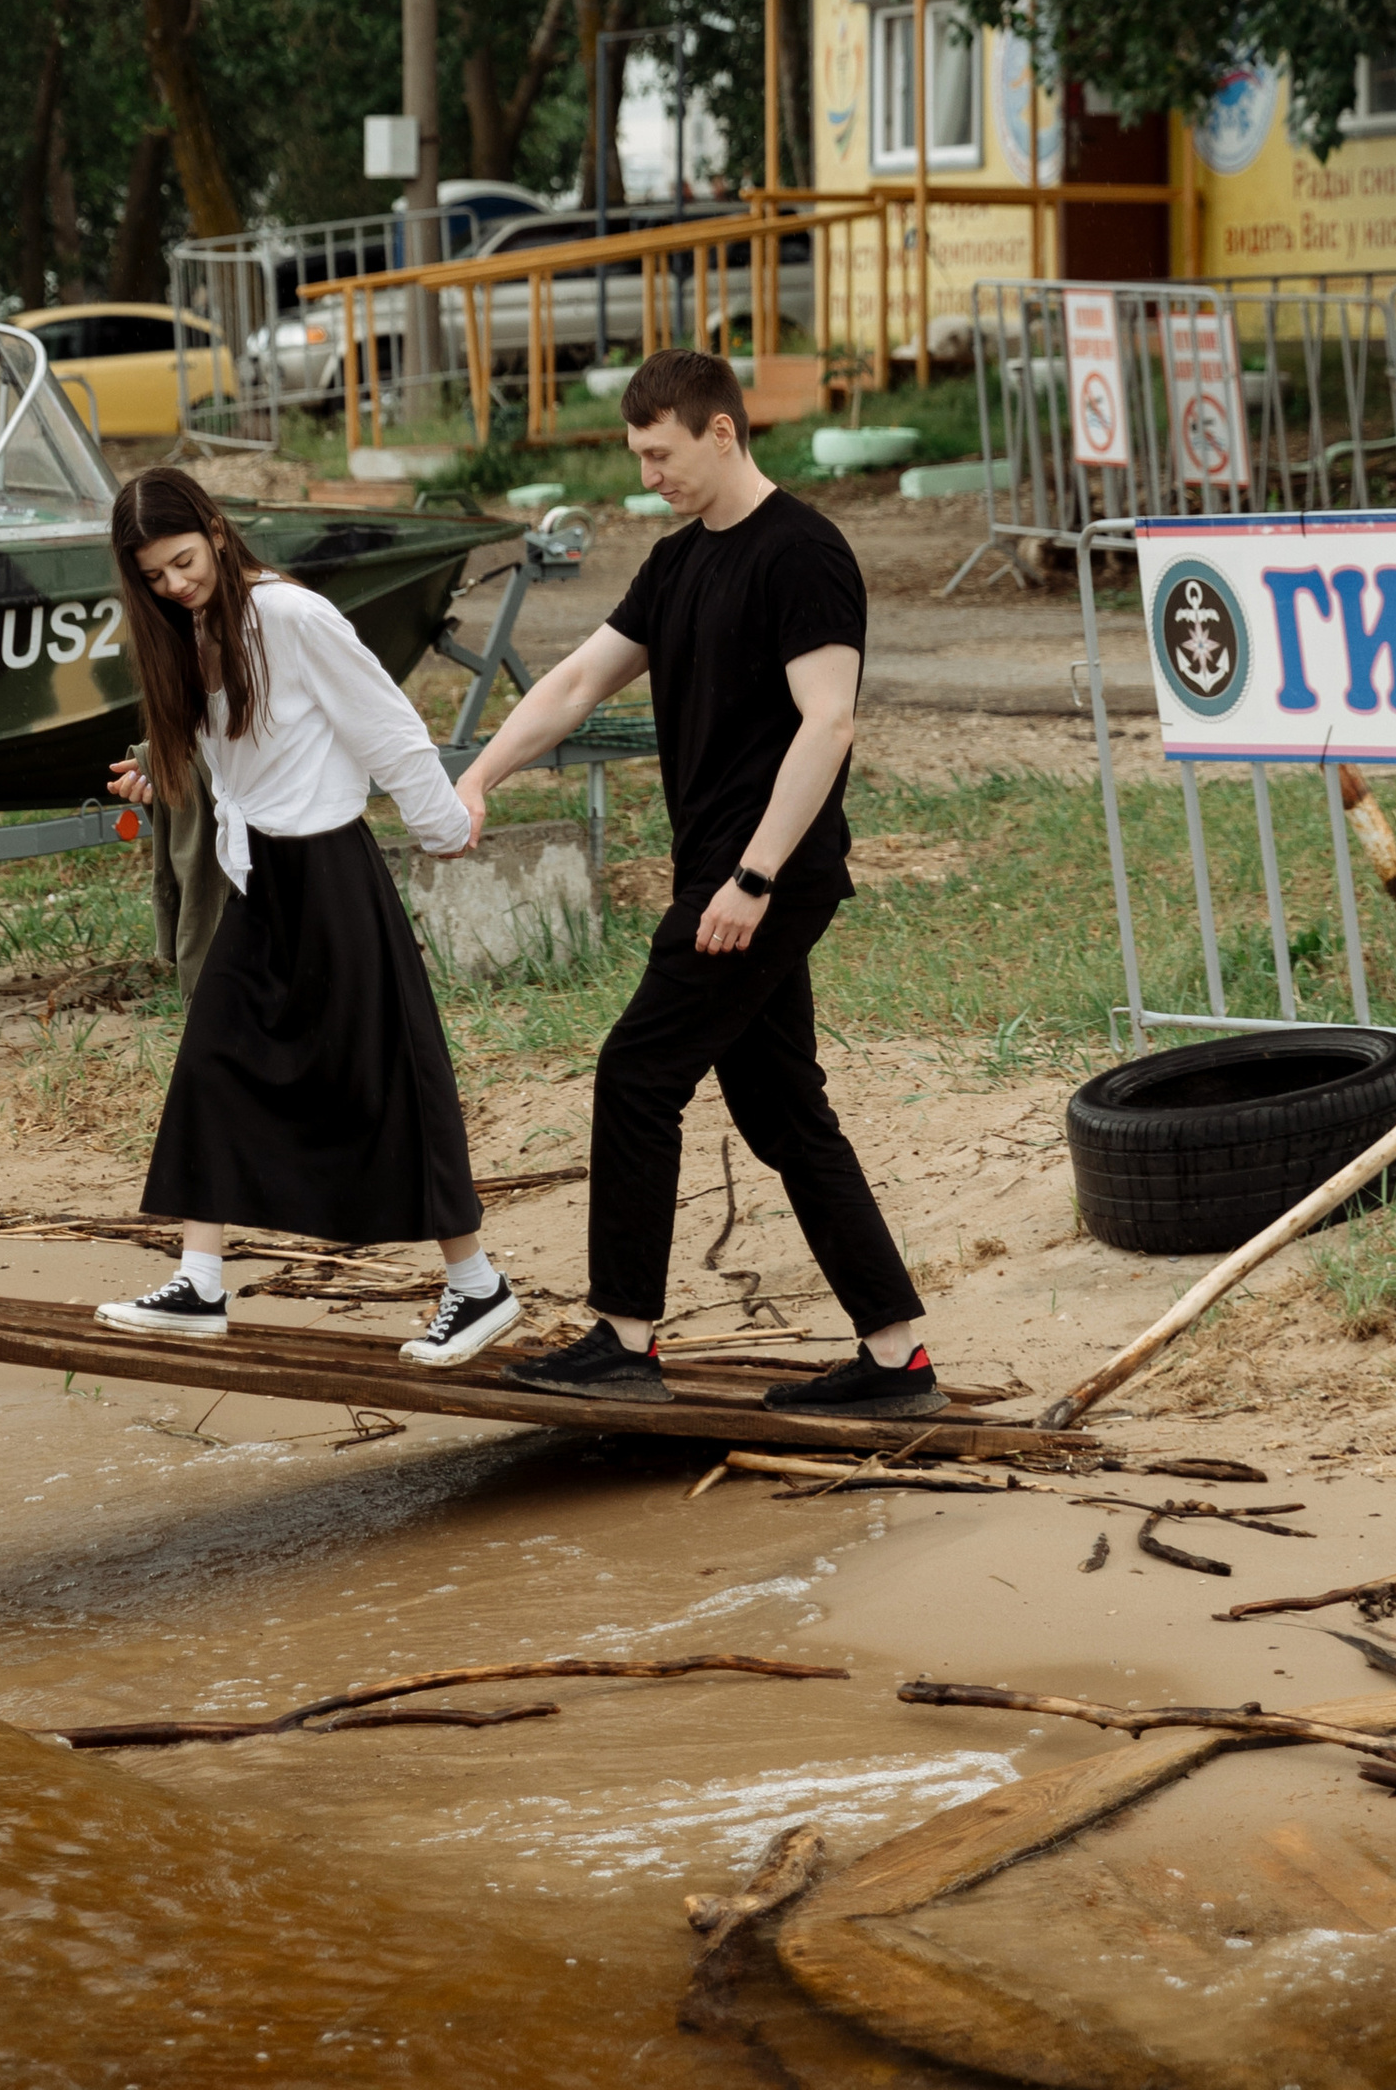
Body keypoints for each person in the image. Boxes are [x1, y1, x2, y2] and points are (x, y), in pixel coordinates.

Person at [459, 346, 937, 1419]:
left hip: (760, 878)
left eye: (659, 453)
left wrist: (754, 878)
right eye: (638, 456)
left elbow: (830, 721)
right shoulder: (677, 564)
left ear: (720, 431)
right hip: (725, 875)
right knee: (783, 1115)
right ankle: (896, 1358)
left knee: (636, 1073)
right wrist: (481, 774)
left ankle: (626, 1339)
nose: (648, 476)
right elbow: (579, 679)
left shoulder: (802, 553)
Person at [95, 468, 521, 1370]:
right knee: (215, 1060)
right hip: (258, 880)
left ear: (215, 529)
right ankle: (200, 1283)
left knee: (387, 1079)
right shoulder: (193, 627)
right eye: (155, 577)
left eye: (182, 561)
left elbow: (388, 726)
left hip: (329, 874)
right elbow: (246, 760)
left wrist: (444, 825)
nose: (175, 585)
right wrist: (165, 777)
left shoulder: (289, 615)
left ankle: (477, 1285)